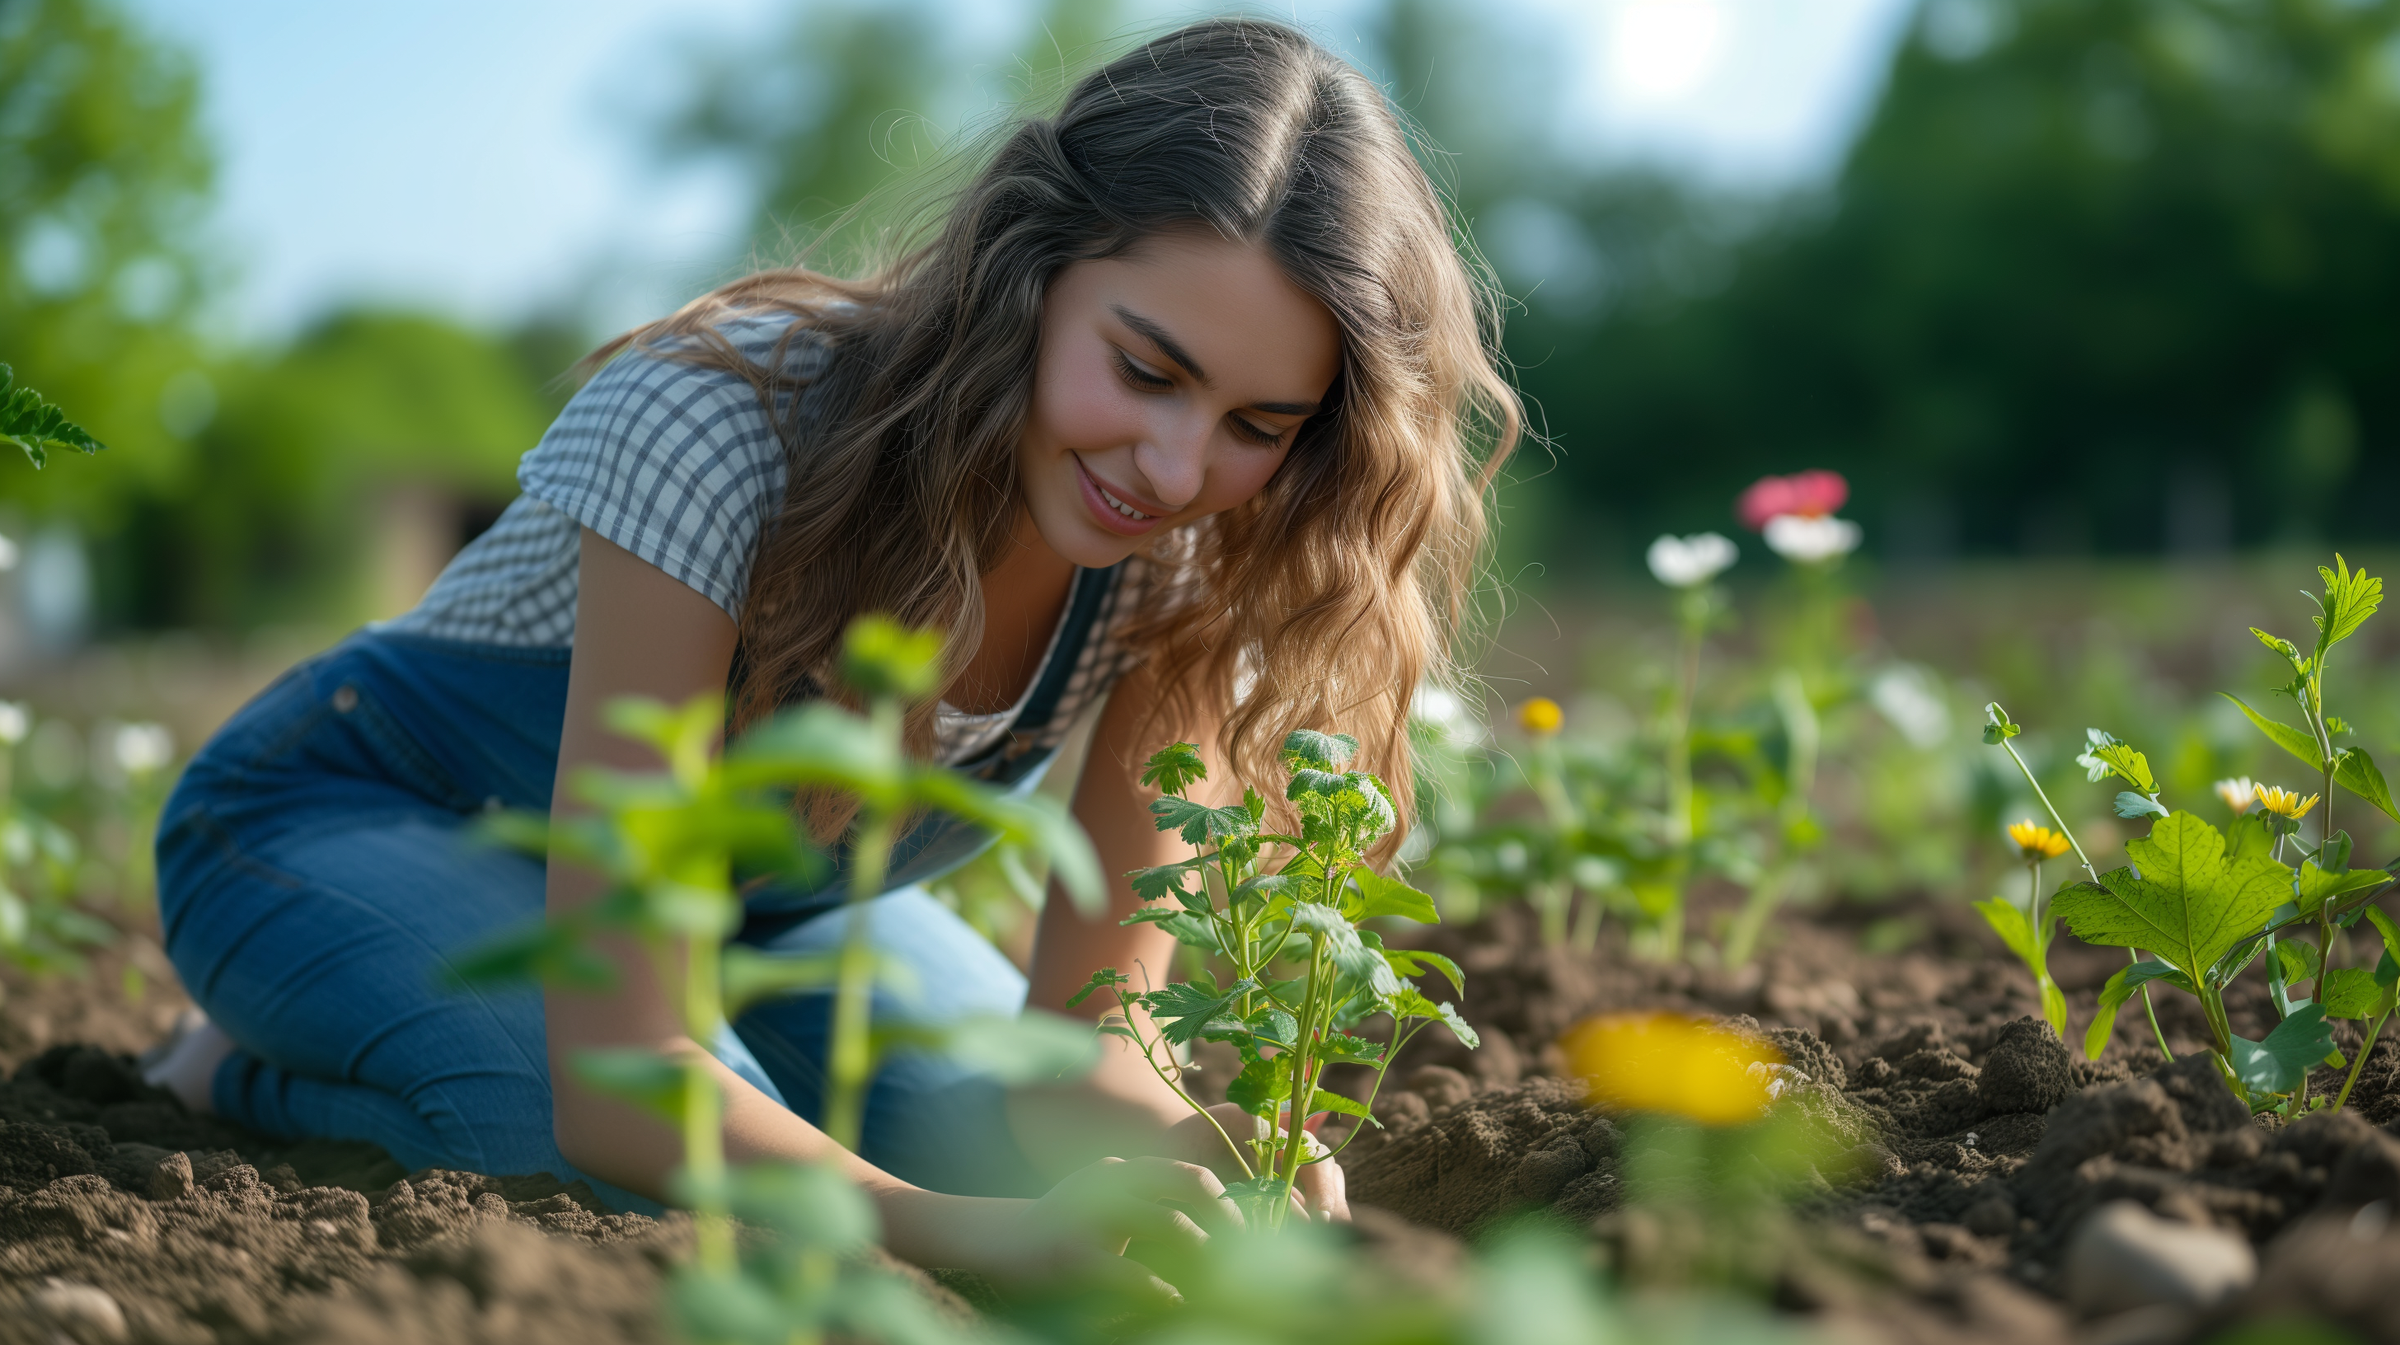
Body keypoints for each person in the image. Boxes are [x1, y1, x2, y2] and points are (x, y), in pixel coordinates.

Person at [142, 16, 1516, 1282]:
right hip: (344, 819)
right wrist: (967, 1238)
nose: (1174, 465)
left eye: (1257, 424)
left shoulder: (1201, 563)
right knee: (598, 1154)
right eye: (1147, 371)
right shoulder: (718, 429)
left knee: (990, 1152)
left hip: (752, 926)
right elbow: (629, 1061)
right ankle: (234, 1066)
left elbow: (1089, 1044)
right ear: (1028, 271)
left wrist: (1187, 1150)